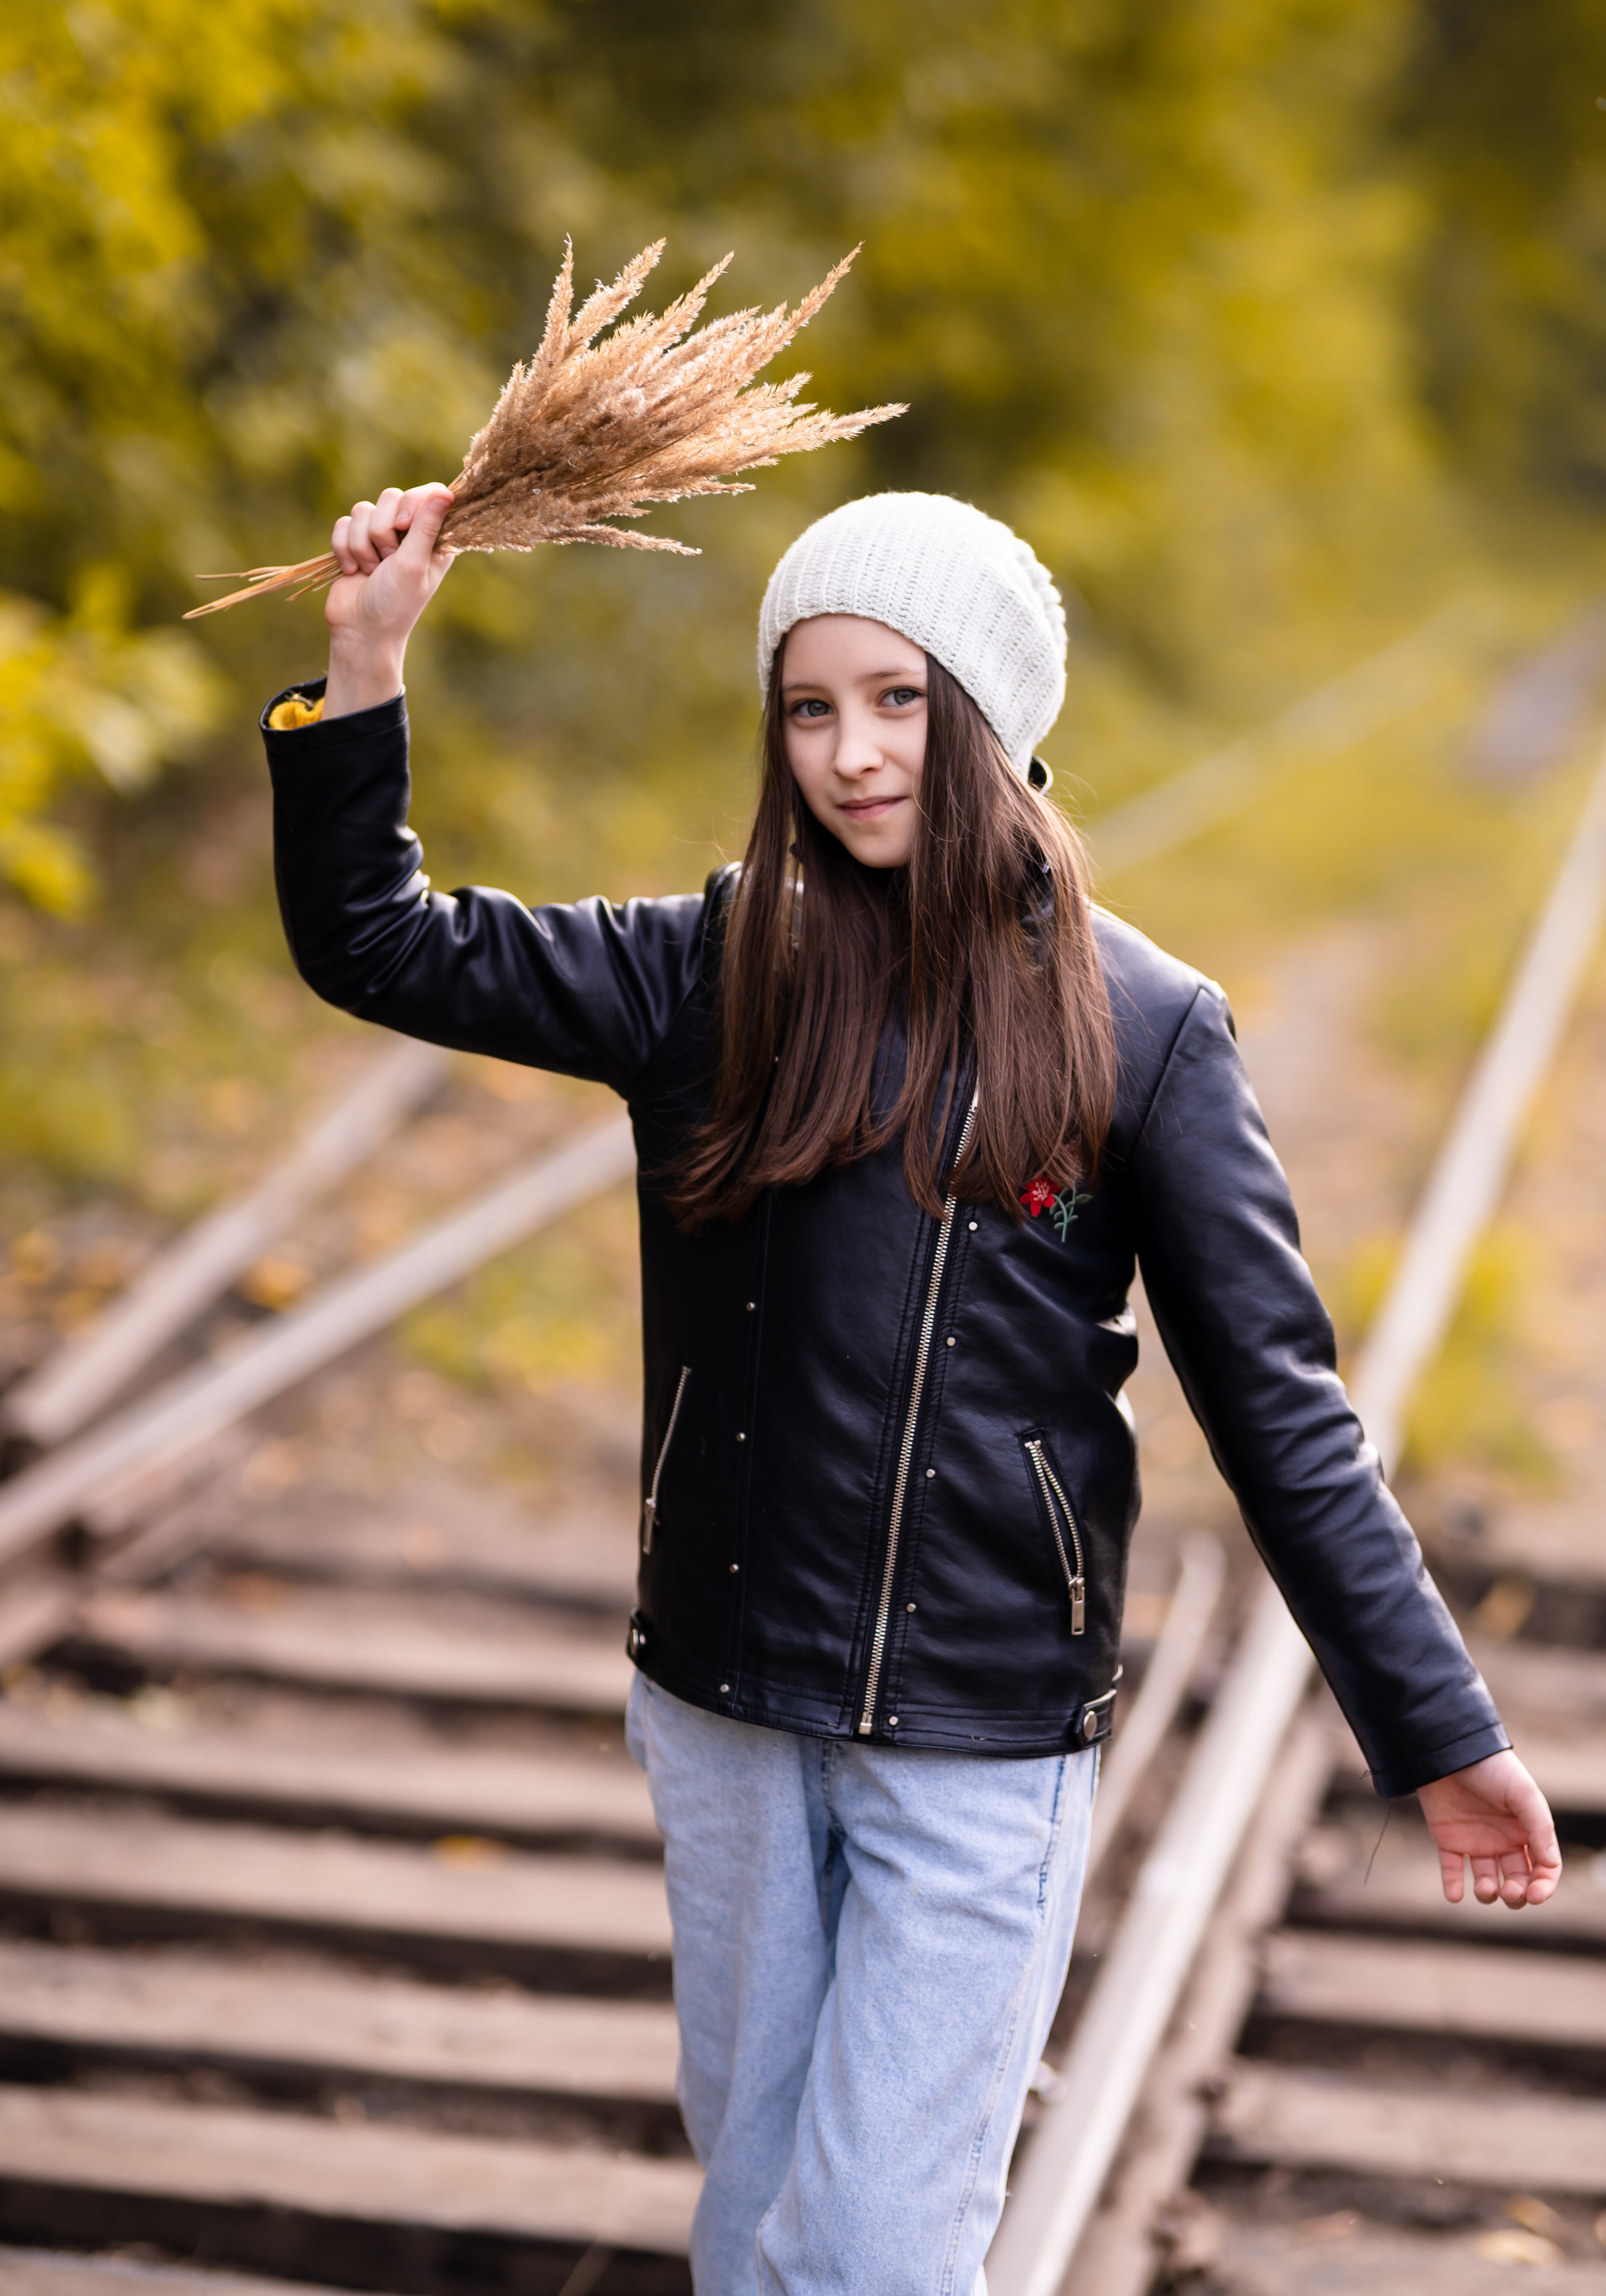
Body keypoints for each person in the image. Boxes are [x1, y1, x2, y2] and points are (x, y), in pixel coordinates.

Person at [262, 481, 1560, 2296]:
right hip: (726, 1710)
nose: (854, 754)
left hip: (977, 1736)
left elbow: (1279, 1416)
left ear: (992, 719)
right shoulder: (709, 970)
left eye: (899, 702)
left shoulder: (1143, 1029)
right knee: (755, 2219)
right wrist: (365, 662)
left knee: (873, 2255)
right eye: (811, 707)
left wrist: (1435, 1732)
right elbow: (375, 943)